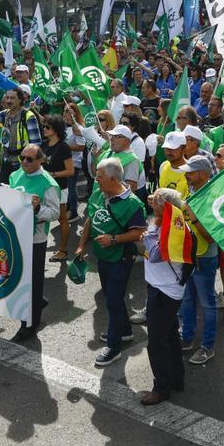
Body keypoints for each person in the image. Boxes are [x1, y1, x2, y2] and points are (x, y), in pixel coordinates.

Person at [74, 157, 146, 367]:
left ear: (114, 179)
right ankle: (124, 331)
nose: (96, 179)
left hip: (120, 258)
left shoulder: (132, 204)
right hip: (102, 256)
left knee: (113, 300)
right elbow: (90, 218)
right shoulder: (99, 193)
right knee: (112, 296)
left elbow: (139, 233)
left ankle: (114, 347)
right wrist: (81, 245)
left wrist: (113, 239)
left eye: (100, 176)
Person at [0, 143, 61, 342]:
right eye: (22, 158)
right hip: (14, 234)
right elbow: (12, 192)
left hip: (35, 238)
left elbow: (55, 213)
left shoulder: (48, 183)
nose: (24, 161)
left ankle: (29, 325)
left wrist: (37, 208)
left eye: (29, 159)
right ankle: (38, 301)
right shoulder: (16, 174)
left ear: (41, 160)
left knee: (31, 282)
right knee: (17, 276)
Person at [140, 189, 192, 405]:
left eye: (157, 201)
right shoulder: (163, 221)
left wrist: (147, 238)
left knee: (157, 341)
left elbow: (155, 254)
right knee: (170, 334)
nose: (152, 201)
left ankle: (161, 387)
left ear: (167, 206)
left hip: (165, 292)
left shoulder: (176, 227)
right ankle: (176, 378)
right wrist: (150, 234)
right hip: (160, 287)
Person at [171, 155, 220, 365]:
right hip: (188, 256)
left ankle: (208, 347)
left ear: (201, 173)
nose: (187, 175)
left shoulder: (212, 197)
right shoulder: (192, 191)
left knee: (208, 304)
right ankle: (187, 338)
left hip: (205, 259)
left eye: (190, 172)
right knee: (187, 300)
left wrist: (192, 215)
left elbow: (210, 237)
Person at [39, 115, 74, 261]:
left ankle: (63, 250)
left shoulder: (63, 147)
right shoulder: (44, 145)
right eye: (44, 126)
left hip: (60, 188)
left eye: (47, 127)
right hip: (44, 187)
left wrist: (52, 174)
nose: (44, 129)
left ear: (56, 129)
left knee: (62, 219)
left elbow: (70, 171)